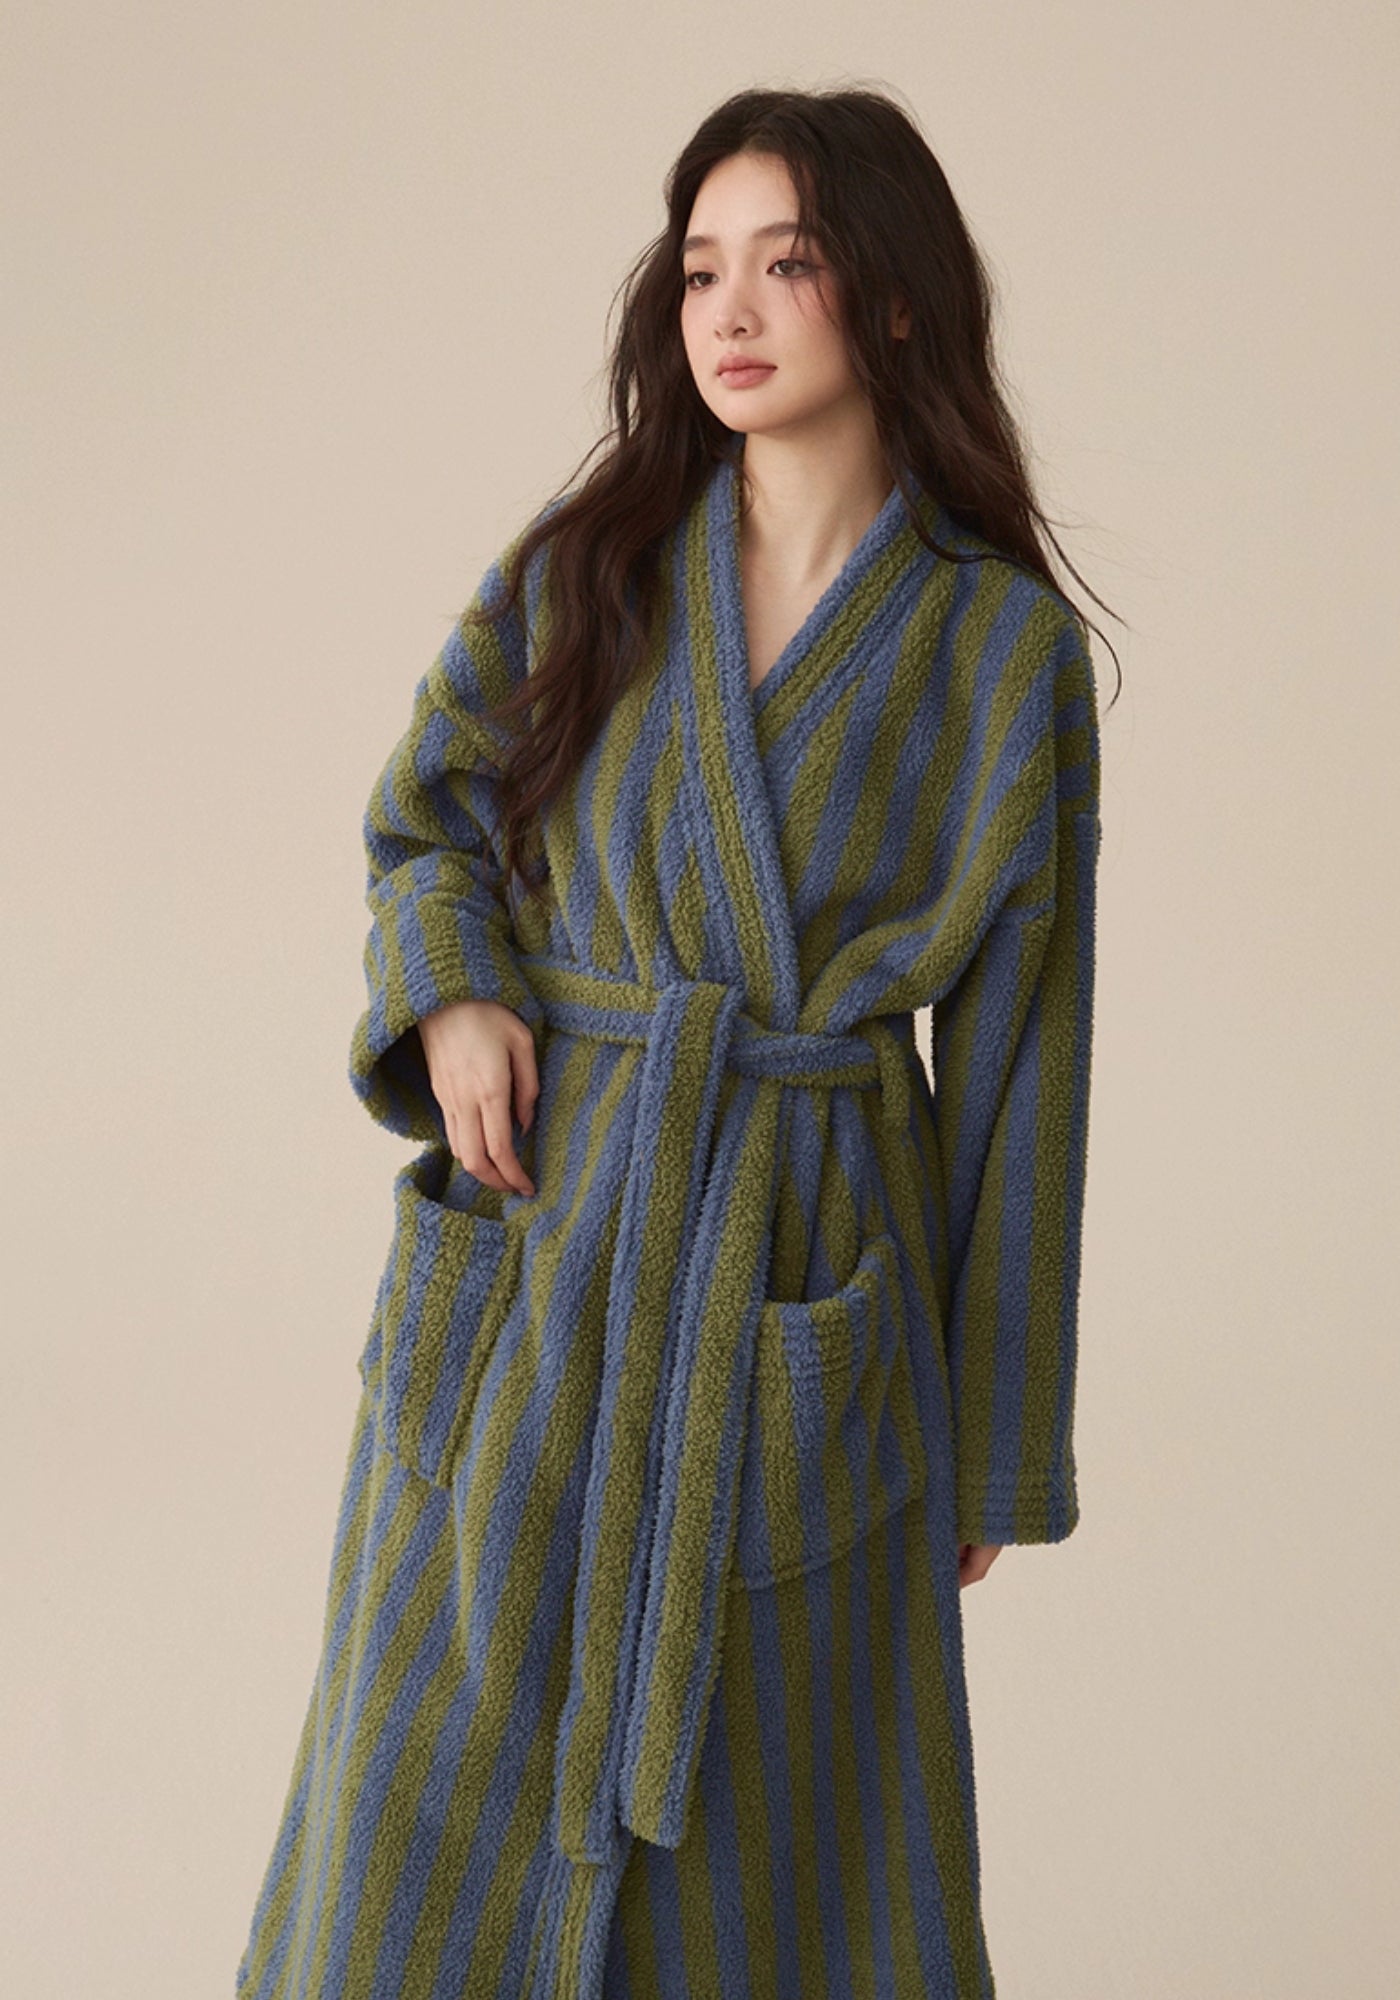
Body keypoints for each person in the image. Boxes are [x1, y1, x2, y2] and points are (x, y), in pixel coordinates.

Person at [237, 82, 1113, 2000]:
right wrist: (457, 992)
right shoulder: (596, 568)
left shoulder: (999, 656)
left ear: (893, 297)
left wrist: (992, 1441)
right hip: (540, 1244)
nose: (731, 310)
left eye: (787, 264)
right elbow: (429, 818)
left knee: (785, 1827)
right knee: (422, 1788)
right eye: (703, 267)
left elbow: (1025, 1057)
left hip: (800, 1266)